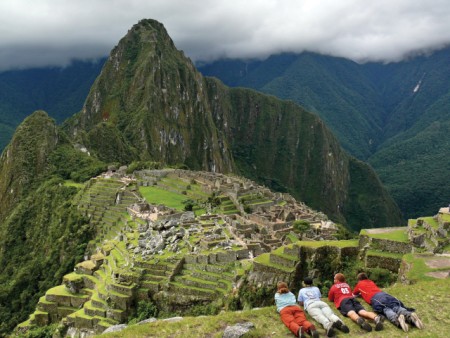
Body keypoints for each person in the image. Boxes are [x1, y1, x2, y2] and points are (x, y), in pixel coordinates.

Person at [353, 272, 424, 332]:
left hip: (376, 298)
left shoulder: (359, 284)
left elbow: (354, 294)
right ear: (366, 278)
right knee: (395, 306)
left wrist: (361, 294)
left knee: (386, 309)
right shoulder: (371, 281)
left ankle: (397, 320)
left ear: (359, 280)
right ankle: (409, 315)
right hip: (384, 294)